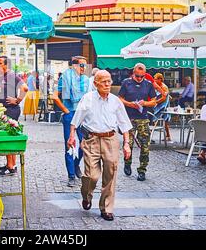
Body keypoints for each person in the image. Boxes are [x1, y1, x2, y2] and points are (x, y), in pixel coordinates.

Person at [68, 70, 132, 221]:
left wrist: (127, 144)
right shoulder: (88, 99)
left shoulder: (115, 101)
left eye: (109, 81)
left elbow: (124, 124)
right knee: (91, 175)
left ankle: (106, 208)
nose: (108, 84)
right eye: (104, 81)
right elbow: (76, 119)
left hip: (111, 140)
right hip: (92, 140)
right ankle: (87, 196)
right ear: (96, 83)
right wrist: (71, 135)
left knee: (110, 174)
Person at [53, 56, 90, 187]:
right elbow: (55, 96)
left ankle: (75, 165)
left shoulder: (85, 80)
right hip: (70, 114)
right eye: (81, 65)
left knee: (85, 144)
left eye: (85, 65)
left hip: (83, 115)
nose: (84, 68)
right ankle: (71, 175)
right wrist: (66, 110)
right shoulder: (65, 77)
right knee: (70, 145)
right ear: (74, 66)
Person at [118, 63, 156, 181]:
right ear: (133, 73)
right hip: (128, 118)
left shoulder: (148, 85)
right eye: (137, 76)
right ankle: (127, 163)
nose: (139, 78)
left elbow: (154, 102)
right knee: (128, 144)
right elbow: (119, 98)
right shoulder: (126, 83)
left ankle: (142, 170)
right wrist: (129, 104)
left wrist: (144, 103)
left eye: (142, 76)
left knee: (145, 146)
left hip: (143, 118)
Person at [0, 56, 29, 176]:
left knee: (8, 137)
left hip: (11, 110)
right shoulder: (3, 76)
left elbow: (25, 88)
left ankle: (10, 165)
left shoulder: (12, 76)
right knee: (9, 137)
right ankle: (11, 165)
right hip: (6, 110)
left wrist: (17, 100)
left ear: (6, 65)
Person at [153, 73, 172, 142]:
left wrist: (155, 102)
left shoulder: (164, 87)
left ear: (160, 79)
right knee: (155, 118)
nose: (154, 81)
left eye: (155, 79)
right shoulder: (157, 86)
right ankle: (150, 134)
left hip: (164, 106)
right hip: (158, 105)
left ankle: (168, 136)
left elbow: (164, 98)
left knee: (165, 121)